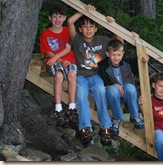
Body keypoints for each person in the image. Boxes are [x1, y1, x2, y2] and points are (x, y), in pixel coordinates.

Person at [67, 5, 123, 146]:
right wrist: (84, 10)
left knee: (100, 91)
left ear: (96, 28)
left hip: (96, 75)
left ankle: (105, 127)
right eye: (85, 26)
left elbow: (120, 43)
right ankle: (85, 128)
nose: (88, 29)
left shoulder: (102, 41)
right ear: (80, 29)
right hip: (80, 75)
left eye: (91, 26)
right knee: (81, 95)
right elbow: (70, 22)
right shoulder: (77, 39)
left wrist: (113, 24)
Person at [40, 3, 78, 127]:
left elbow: (68, 48)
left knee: (72, 75)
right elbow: (48, 52)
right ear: (50, 18)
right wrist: (59, 60)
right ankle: (58, 109)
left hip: (69, 60)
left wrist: (60, 59)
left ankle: (72, 108)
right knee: (59, 76)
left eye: (60, 16)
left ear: (65, 18)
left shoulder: (67, 31)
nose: (58, 19)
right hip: (54, 61)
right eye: (55, 16)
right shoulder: (45, 34)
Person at [98, 39, 144, 136]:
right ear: (107, 54)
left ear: (123, 54)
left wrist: (137, 40)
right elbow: (105, 81)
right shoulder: (103, 65)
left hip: (128, 95)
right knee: (112, 90)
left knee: (130, 87)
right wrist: (114, 85)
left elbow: (141, 61)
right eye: (113, 55)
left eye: (119, 55)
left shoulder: (128, 63)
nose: (116, 58)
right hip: (114, 96)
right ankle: (117, 117)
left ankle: (135, 116)